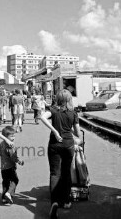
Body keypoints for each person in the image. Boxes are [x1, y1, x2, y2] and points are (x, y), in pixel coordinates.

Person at [40, 89, 82, 219]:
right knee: (66, 172)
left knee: (54, 173)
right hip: (68, 144)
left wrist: (55, 131)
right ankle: (66, 201)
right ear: (69, 99)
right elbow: (78, 134)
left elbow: (42, 117)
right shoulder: (73, 113)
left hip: (54, 144)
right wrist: (75, 138)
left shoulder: (53, 110)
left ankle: (55, 202)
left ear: (57, 99)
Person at [0, 126, 24, 205]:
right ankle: (9, 193)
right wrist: (19, 161)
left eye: (14, 135)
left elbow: (0, 153)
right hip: (10, 167)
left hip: (3, 167)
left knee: (5, 182)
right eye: (11, 136)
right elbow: (13, 157)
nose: (14, 137)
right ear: (5, 137)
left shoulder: (1, 144)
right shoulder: (10, 146)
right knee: (15, 180)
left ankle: (4, 198)